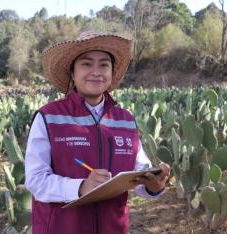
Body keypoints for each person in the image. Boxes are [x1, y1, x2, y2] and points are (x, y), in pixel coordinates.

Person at [25, 31, 170, 234]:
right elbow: (36, 180)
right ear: (72, 73)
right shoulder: (49, 117)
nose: (96, 71)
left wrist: (153, 186)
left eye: (104, 64)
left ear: (111, 73)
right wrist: (81, 186)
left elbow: (138, 174)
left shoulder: (125, 120)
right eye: (86, 64)